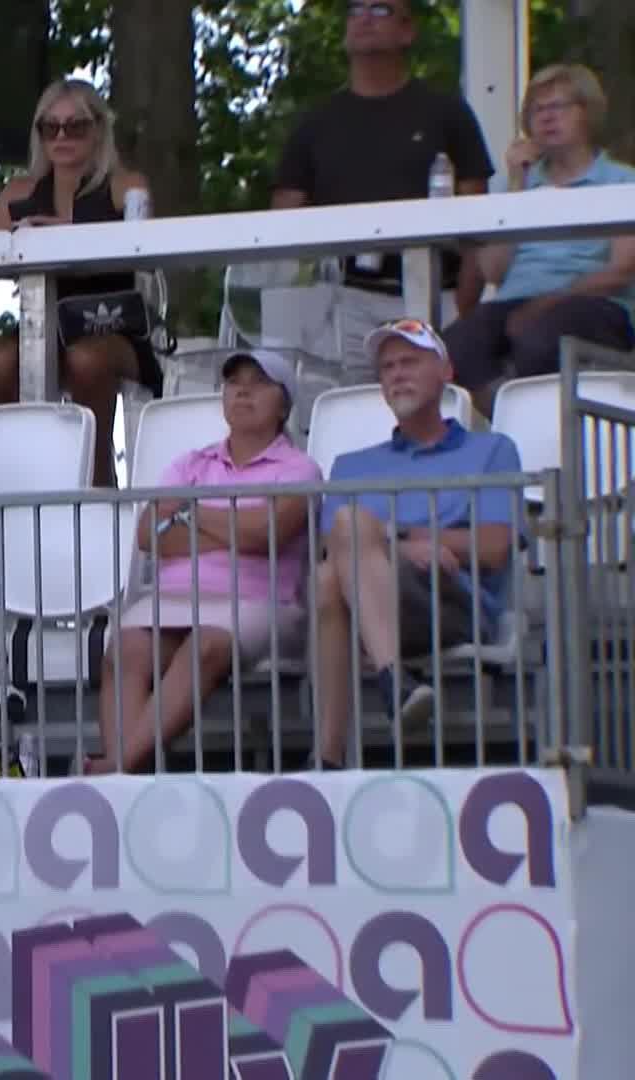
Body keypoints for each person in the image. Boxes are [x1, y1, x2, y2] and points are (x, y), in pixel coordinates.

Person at [89, 352, 323, 775]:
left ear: (284, 404)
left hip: (258, 601)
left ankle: (119, 768)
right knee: (126, 648)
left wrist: (193, 513)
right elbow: (150, 534)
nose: (243, 391)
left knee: (207, 645)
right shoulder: (191, 463)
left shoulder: (300, 468)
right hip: (175, 597)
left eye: (258, 382)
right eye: (234, 383)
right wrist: (239, 523)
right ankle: (128, 773)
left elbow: (268, 534)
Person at [312, 320, 522, 770]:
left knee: (339, 559)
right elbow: (335, 544)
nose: (396, 374)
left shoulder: (492, 450)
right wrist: (401, 546)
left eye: (410, 362)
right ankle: (391, 690)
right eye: (387, 367)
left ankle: (331, 753)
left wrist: (394, 536)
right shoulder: (351, 465)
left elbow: (492, 548)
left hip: (449, 600)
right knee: (328, 576)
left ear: (445, 371)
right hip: (372, 595)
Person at [272, 0, 494, 366]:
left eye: (380, 10)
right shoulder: (316, 123)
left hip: (435, 299)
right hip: (341, 301)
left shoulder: (446, 113)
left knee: (432, 413)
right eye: (355, 10)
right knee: (343, 410)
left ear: (407, 31)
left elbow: (477, 224)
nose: (363, 19)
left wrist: (465, 309)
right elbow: (282, 223)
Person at [0, 78, 162, 487]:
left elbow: (144, 245)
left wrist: (64, 232)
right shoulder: (19, 191)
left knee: (87, 360)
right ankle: (25, 478)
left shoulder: (125, 185)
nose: (62, 136)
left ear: (99, 129)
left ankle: (97, 484)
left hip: (115, 328)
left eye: (75, 126)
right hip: (42, 327)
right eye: (51, 127)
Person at [445, 64, 635, 415]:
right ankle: (509, 426)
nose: (546, 118)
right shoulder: (516, 185)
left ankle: (542, 433)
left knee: (538, 336)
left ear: (588, 114)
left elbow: (622, 270)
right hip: (516, 301)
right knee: (455, 345)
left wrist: (548, 302)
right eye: (537, 110)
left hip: (595, 305)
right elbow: (494, 272)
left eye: (558, 107)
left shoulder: (621, 181)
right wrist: (517, 187)